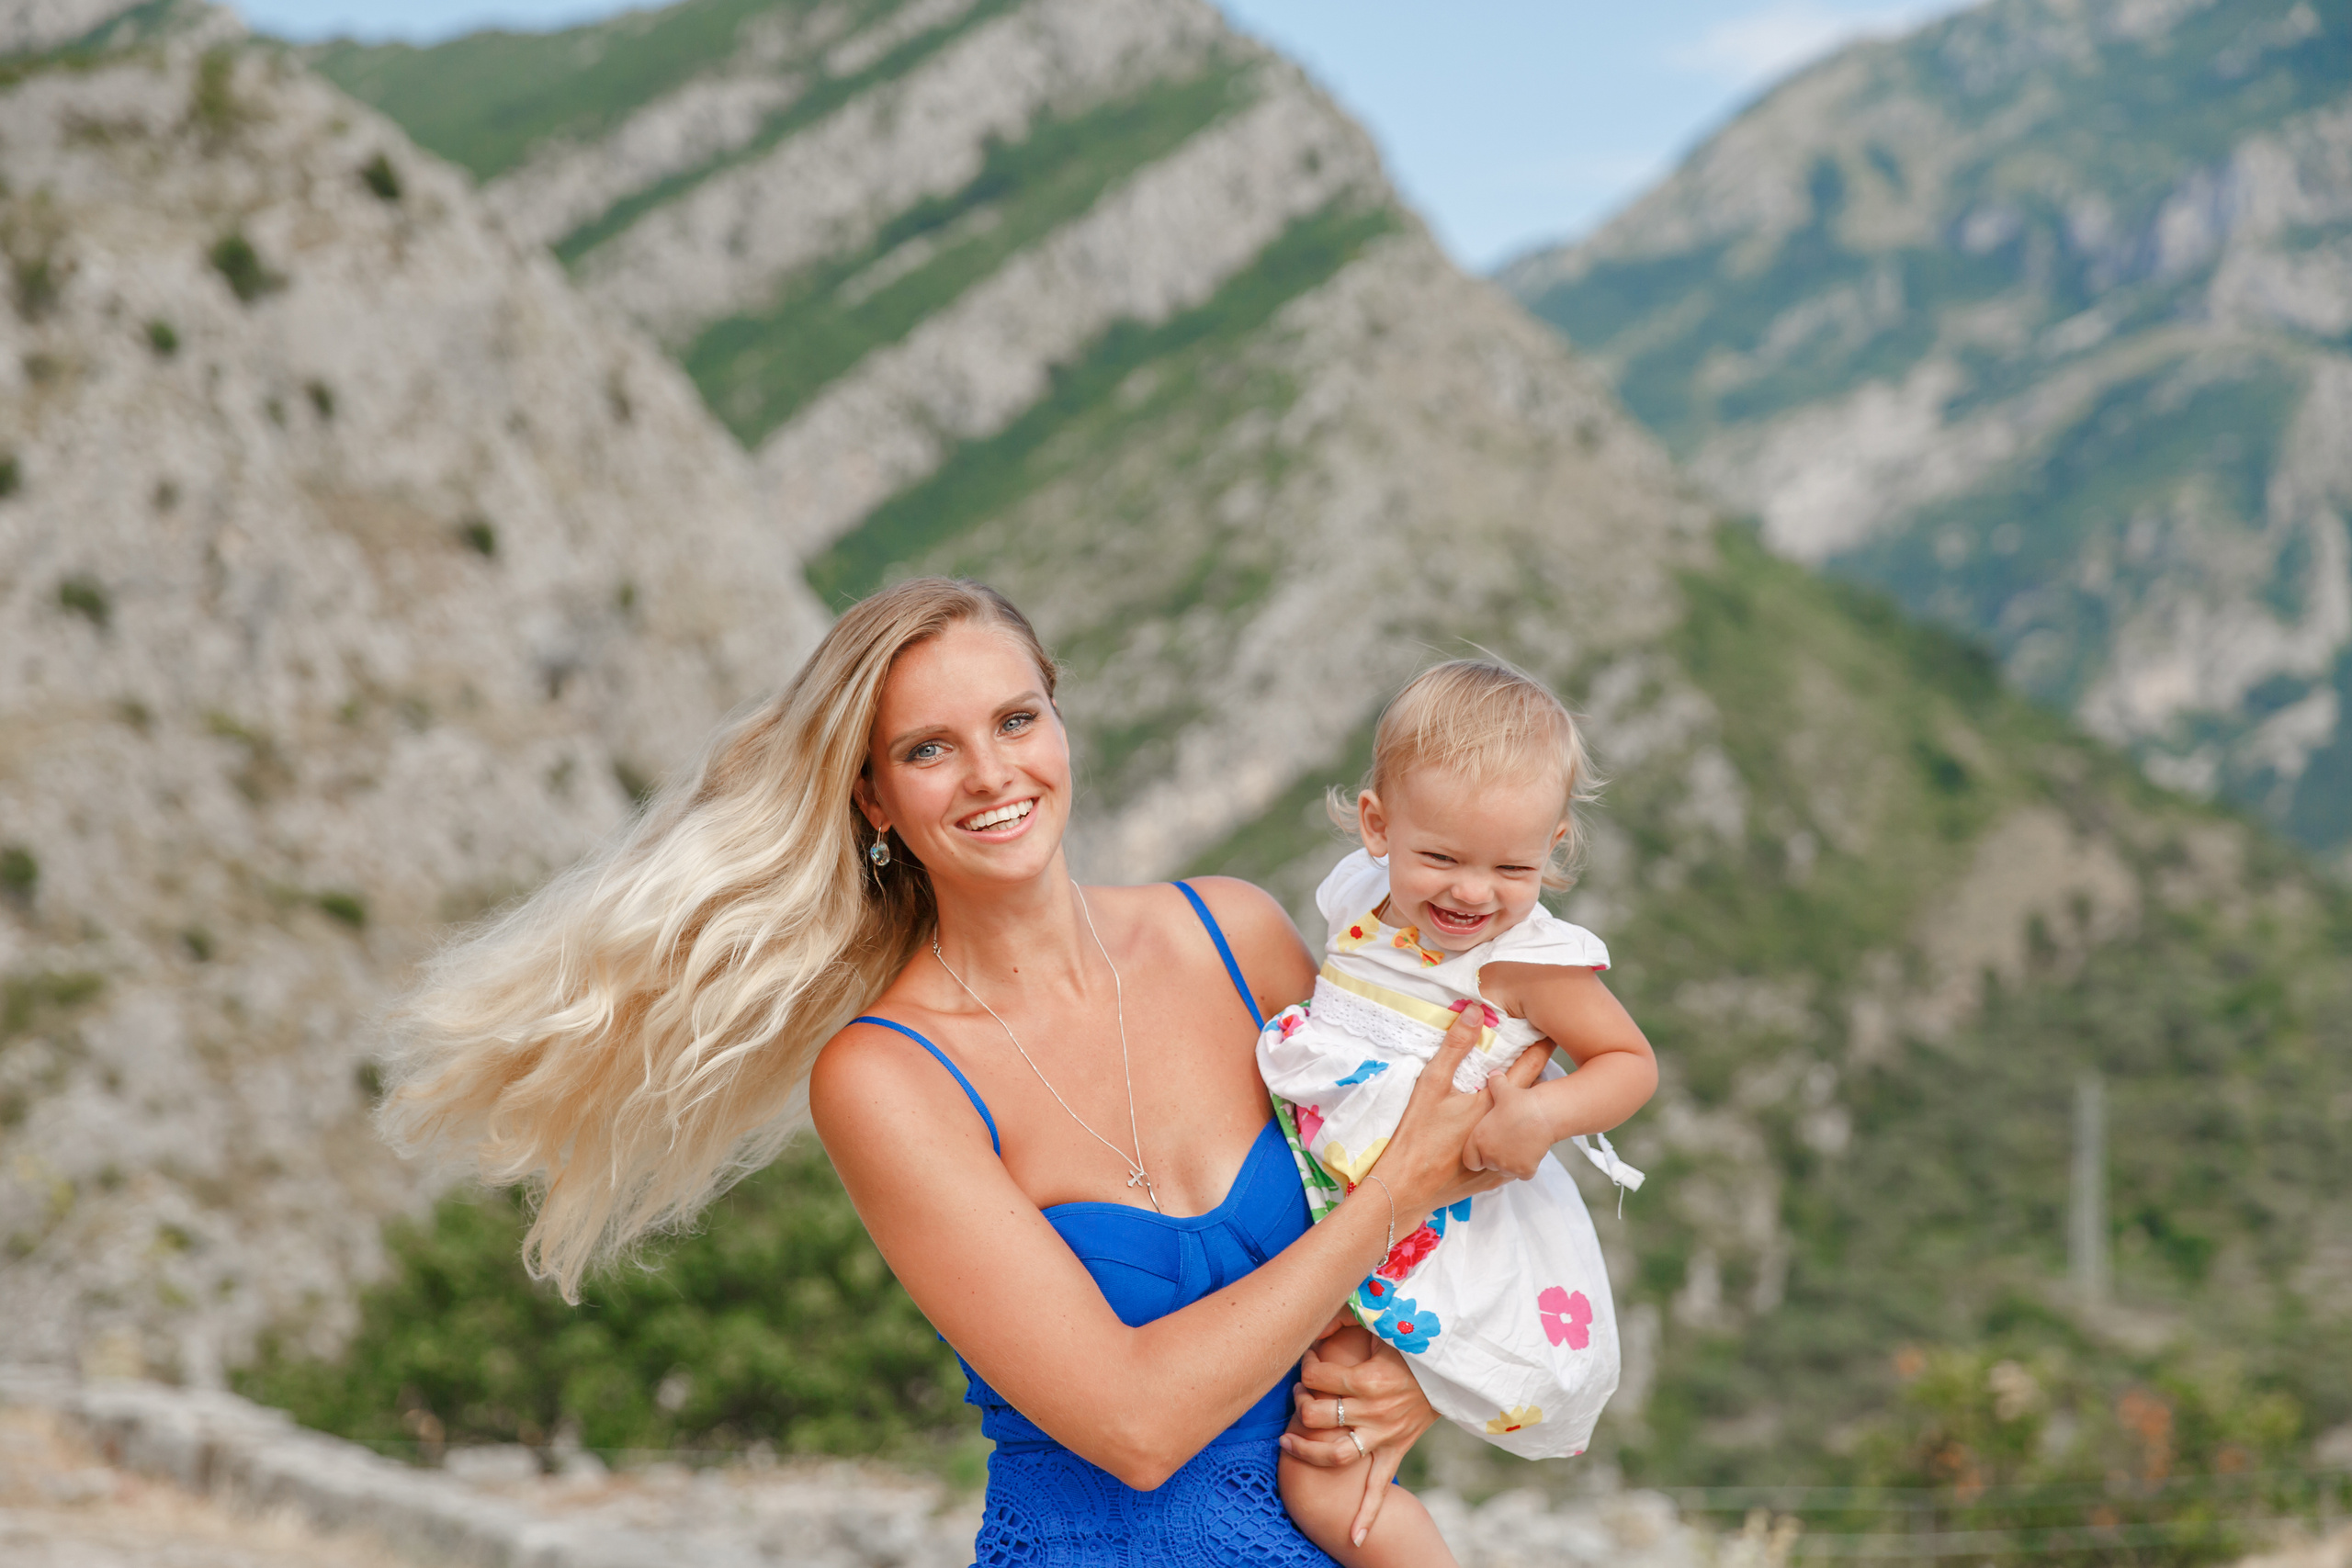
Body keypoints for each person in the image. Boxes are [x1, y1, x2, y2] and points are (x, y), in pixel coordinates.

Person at [378, 578, 1548, 1565]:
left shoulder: (1236, 937)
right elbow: (1137, 1426)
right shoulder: (886, 1078)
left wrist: (1413, 1375)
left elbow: (1450, 1189)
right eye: (929, 750)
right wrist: (1398, 1193)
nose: (991, 774)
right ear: (874, 799)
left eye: (1015, 720)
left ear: (1059, 726)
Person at [1257, 660, 1658, 1568]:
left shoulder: (1526, 963)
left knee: (1321, 1477)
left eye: (1512, 867)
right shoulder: (1357, 899)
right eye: (1440, 858)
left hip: (1435, 1231)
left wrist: (1542, 1113)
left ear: (1553, 847)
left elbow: (1630, 1064)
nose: (1473, 893)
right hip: (1332, 1193)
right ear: (1377, 826)